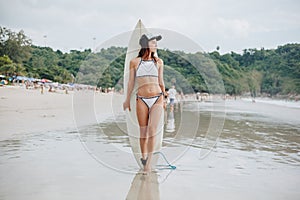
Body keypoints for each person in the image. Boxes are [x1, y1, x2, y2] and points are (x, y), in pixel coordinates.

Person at [123, 33, 166, 172]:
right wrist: (127, 100)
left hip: (157, 98)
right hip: (141, 99)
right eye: (153, 43)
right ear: (146, 45)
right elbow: (131, 82)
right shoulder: (135, 62)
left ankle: (148, 165)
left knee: (152, 130)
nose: (156, 45)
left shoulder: (159, 62)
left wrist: (164, 98)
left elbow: (161, 81)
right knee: (143, 132)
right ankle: (144, 157)